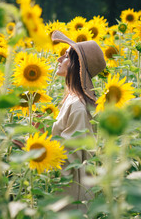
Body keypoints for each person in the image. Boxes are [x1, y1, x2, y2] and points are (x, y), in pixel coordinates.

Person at [51, 30, 106, 212]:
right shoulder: (73, 100)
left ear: (76, 65)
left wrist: (36, 154)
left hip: (71, 198)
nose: (59, 59)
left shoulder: (77, 105)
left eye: (65, 56)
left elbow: (69, 158)